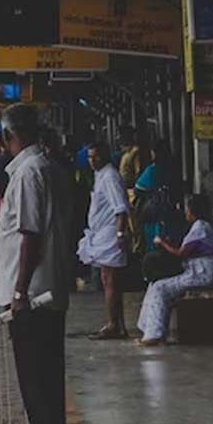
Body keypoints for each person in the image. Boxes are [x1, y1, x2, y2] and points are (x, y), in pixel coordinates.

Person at [0, 103, 73, 424]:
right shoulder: (49, 167)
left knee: (35, 380)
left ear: (11, 136)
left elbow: (30, 235)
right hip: (50, 289)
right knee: (48, 377)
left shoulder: (28, 174)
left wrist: (20, 291)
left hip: (33, 296)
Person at [136, 194, 213, 346]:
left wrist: (162, 242)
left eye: (187, 209)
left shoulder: (200, 227)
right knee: (155, 284)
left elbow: (181, 253)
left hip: (202, 274)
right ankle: (147, 330)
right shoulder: (204, 225)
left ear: (193, 211)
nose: (185, 213)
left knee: (161, 288)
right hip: (197, 271)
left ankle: (155, 334)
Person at [77, 141, 131, 340]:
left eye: (96, 156)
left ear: (105, 156)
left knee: (109, 280)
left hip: (110, 234)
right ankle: (118, 324)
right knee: (109, 281)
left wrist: (119, 235)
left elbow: (121, 209)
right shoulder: (100, 175)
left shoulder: (110, 177)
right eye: (90, 157)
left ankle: (113, 324)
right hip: (101, 233)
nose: (92, 161)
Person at [134, 140, 175, 249]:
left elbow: (137, 189)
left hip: (154, 209)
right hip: (169, 208)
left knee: (151, 240)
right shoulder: (172, 168)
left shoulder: (152, 170)